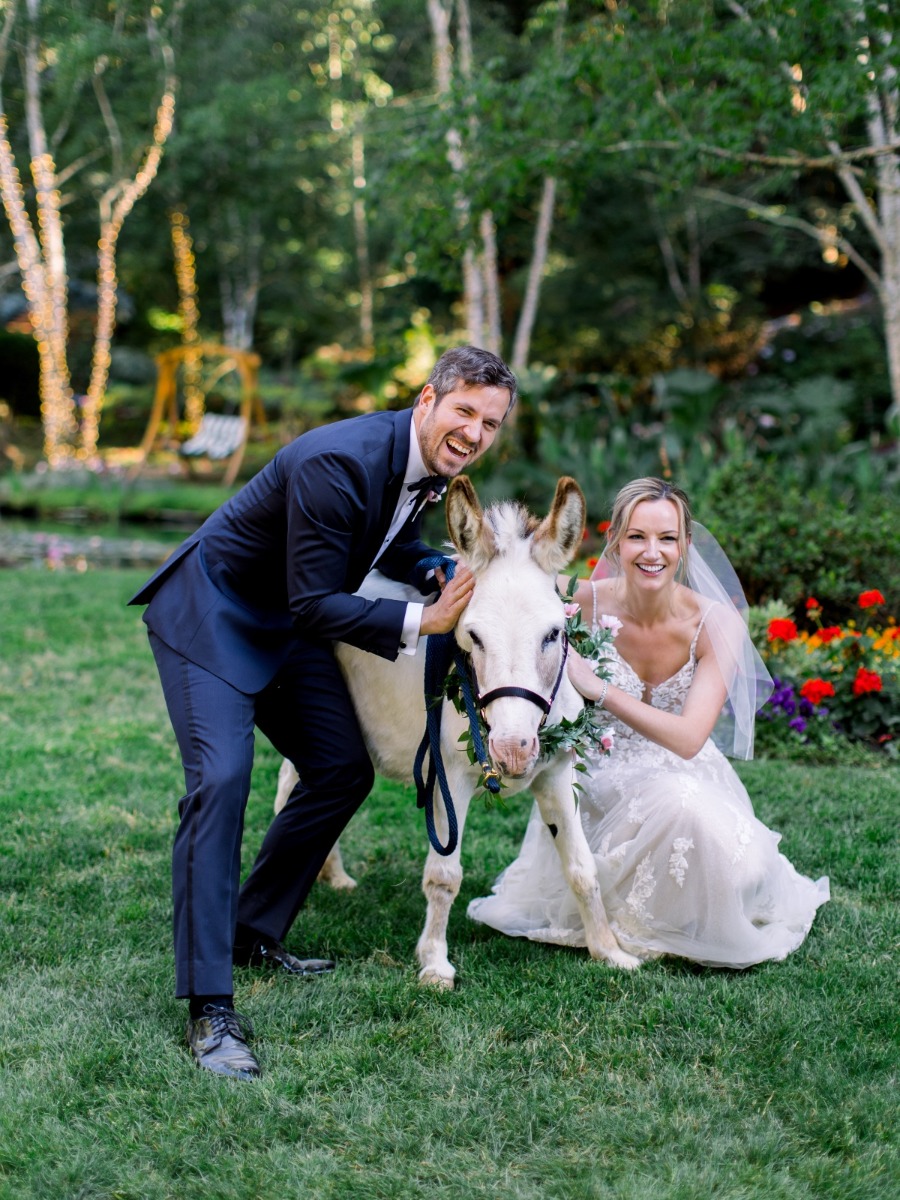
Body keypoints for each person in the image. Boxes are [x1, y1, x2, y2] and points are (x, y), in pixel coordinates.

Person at [130, 345, 517, 1079]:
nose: (474, 432)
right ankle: (210, 1006)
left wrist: (433, 567)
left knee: (341, 770)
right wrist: (423, 624)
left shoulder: (426, 470)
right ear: (428, 399)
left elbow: (382, 539)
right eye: (464, 411)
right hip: (211, 616)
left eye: (490, 423)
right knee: (221, 782)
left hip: (287, 622)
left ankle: (251, 929)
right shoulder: (336, 461)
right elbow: (316, 599)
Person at [467, 477, 829, 968]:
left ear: (684, 545)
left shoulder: (716, 623)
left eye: (667, 538)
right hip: (601, 778)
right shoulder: (579, 601)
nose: (651, 552)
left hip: (685, 772)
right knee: (676, 817)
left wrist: (601, 690)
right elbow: (498, 582)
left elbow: (689, 739)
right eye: (637, 536)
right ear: (614, 541)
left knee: (726, 855)